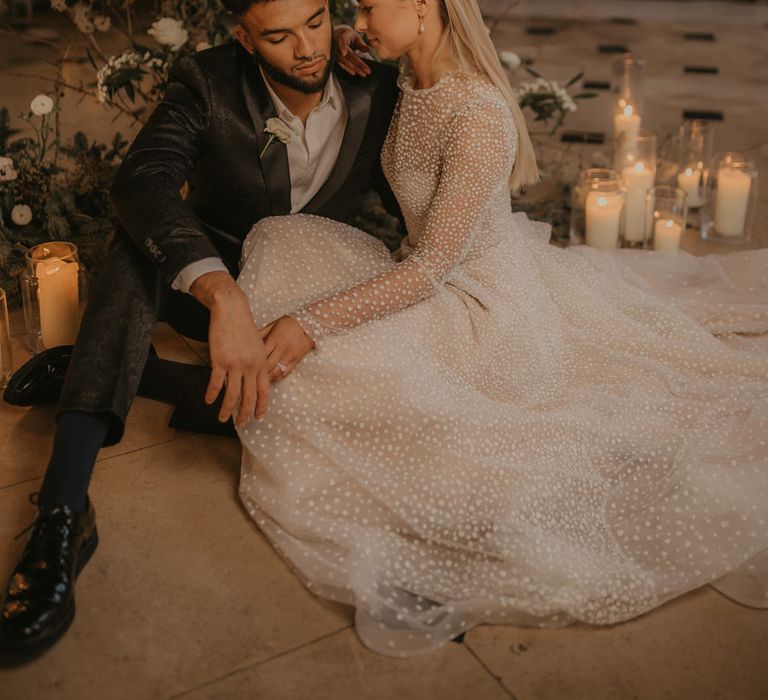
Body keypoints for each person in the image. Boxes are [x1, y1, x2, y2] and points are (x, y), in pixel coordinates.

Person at [232, 0, 768, 657]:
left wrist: (311, 322)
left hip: (481, 308)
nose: (361, 19)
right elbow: (417, 249)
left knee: (330, 362)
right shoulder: (409, 71)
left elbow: (431, 268)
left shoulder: (478, 113)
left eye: (370, 5)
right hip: (426, 272)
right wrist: (354, 38)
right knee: (280, 241)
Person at [0, 0, 403, 657]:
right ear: (245, 38)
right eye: (278, 35)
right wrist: (222, 296)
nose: (306, 48)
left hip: (305, 292)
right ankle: (62, 512)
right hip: (217, 280)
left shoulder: (374, 79)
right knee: (135, 247)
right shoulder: (208, 80)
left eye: (316, 19)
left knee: (352, 411)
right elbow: (144, 181)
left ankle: (114, 370)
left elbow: (416, 190)